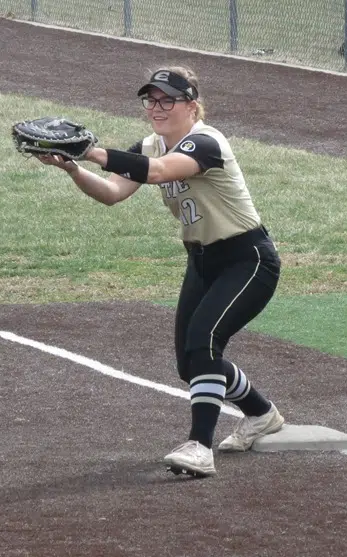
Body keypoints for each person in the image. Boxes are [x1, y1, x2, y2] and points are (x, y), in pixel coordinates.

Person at [36, 66, 285, 478]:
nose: (157, 107)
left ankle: (199, 447)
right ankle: (261, 414)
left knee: (205, 340)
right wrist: (75, 169)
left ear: (192, 105)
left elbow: (157, 173)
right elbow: (114, 192)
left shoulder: (207, 142)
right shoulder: (150, 145)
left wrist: (91, 151)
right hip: (202, 261)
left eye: (168, 99)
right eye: (150, 99)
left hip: (248, 260)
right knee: (191, 365)